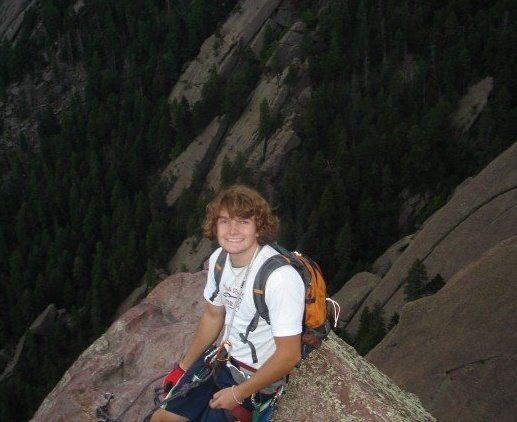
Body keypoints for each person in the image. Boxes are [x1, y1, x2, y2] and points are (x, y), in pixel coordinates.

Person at [151, 185, 305, 422]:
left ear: (258, 227)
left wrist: (238, 393)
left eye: (243, 221)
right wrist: (183, 367)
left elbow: (289, 355)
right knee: (161, 419)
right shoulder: (220, 260)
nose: (232, 230)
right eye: (224, 221)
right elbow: (214, 316)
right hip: (222, 361)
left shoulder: (279, 278)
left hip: (256, 380)